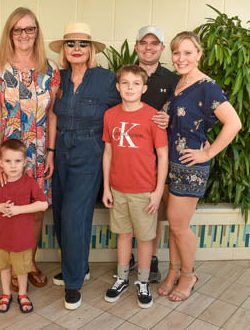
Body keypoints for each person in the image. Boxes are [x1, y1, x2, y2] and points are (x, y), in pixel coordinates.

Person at [158, 31, 241, 301]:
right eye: (177, 53)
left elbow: (234, 123)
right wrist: (165, 120)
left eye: (187, 52)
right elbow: (185, 119)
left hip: (190, 166)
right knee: (173, 223)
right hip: (170, 163)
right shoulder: (179, 83)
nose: (181, 58)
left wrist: (208, 154)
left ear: (199, 54)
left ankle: (188, 275)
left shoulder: (208, 86)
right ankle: (172, 271)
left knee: (180, 226)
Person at [49, 22, 121, 310]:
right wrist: (50, 152)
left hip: (89, 152)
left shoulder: (106, 79)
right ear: (64, 49)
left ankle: (74, 281)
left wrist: (157, 119)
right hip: (59, 151)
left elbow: (127, 104)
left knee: (74, 216)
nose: (76, 49)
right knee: (59, 214)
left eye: (82, 44)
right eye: (71, 44)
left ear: (91, 49)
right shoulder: (57, 78)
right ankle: (78, 265)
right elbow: (48, 114)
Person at [0, 7, 60, 290]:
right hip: (8, 154)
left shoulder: (50, 69)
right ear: (10, 33)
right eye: (17, 29)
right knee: (8, 207)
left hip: (40, 152)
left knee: (35, 211)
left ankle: (28, 263)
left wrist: (51, 152)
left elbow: (52, 114)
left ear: (37, 32)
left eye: (29, 29)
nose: (24, 35)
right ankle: (7, 264)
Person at [102, 65, 168, 308]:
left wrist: (158, 191)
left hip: (144, 190)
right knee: (123, 234)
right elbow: (107, 152)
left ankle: (142, 281)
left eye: (136, 84)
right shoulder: (110, 115)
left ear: (144, 88)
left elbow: (162, 155)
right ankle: (121, 277)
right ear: (118, 87)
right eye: (125, 83)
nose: (130, 88)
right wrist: (107, 188)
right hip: (118, 188)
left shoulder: (153, 116)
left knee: (144, 238)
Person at [126, 25, 180, 282]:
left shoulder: (172, 80)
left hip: (158, 156)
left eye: (154, 43)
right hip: (129, 156)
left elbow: (183, 114)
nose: (148, 47)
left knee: (152, 208)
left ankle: (153, 257)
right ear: (136, 46)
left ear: (162, 47)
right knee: (128, 208)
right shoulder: (126, 75)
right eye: (143, 42)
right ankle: (131, 258)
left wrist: (170, 119)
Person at [0, 139, 48, 313]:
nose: (13, 166)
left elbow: (43, 204)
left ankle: (23, 294)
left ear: (25, 162)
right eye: (8, 161)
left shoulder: (29, 183)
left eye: (18, 161)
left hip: (22, 240)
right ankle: (6, 294)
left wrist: (19, 210)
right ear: (1, 163)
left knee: (22, 269)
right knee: (4, 268)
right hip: (2, 238)